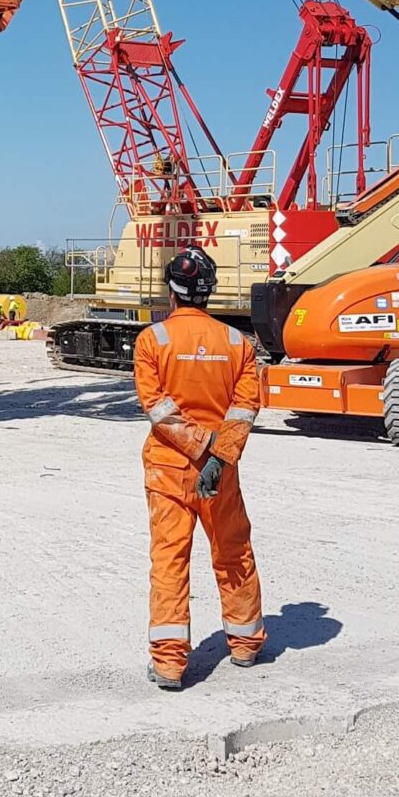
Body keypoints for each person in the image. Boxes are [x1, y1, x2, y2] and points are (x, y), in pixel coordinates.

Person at [132, 246, 264, 691]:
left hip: (169, 469)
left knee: (170, 560)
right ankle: (245, 644)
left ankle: (170, 665)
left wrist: (200, 447)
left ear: (172, 292)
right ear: (209, 293)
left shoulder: (154, 341)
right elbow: (245, 408)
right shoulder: (236, 344)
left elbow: (160, 411)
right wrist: (219, 454)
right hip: (220, 474)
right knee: (233, 553)